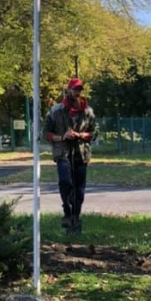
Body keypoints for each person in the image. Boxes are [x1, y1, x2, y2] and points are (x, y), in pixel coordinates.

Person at [44, 77, 98, 233]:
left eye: (79, 89)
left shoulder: (88, 111)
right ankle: (67, 212)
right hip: (63, 153)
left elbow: (94, 133)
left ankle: (75, 218)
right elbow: (46, 133)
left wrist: (80, 135)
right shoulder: (56, 110)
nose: (77, 92)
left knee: (79, 190)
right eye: (75, 89)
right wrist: (63, 137)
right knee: (65, 182)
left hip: (81, 154)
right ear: (68, 90)